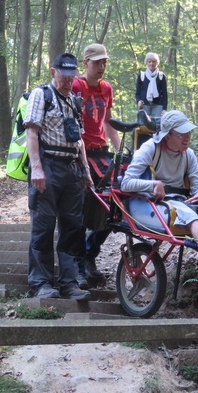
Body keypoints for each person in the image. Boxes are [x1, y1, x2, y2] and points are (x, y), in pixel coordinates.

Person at [24, 52, 92, 301]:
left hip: (71, 169)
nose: (68, 80)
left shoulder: (75, 100)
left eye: (71, 75)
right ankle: (40, 283)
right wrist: (37, 168)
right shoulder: (41, 95)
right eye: (63, 75)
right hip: (47, 166)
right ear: (53, 72)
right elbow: (32, 132)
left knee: (73, 228)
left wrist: (85, 171)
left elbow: (80, 140)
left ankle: (69, 283)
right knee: (43, 226)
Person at [121, 110, 198, 247]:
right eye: (181, 134)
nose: (187, 137)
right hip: (159, 202)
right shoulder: (149, 149)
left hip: (183, 200)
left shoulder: (189, 154)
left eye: (189, 132)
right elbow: (126, 183)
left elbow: (196, 185)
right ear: (167, 136)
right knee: (193, 218)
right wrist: (153, 185)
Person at [72, 43, 121, 288]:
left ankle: (90, 254)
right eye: (97, 62)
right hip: (79, 155)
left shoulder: (107, 89)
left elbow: (109, 122)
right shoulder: (76, 85)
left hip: (102, 153)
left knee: (115, 208)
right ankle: (79, 267)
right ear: (86, 63)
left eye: (104, 62)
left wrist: (120, 149)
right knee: (81, 211)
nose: (101, 67)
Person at [135, 52, 168, 124]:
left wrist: (164, 109)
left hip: (158, 106)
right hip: (145, 105)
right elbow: (137, 92)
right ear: (146, 62)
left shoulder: (161, 76)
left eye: (154, 61)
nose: (151, 64)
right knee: (144, 126)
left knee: (157, 126)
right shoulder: (142, 75)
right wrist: (138, 101)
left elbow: (164, 94)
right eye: (149, 61)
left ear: (157, 63)